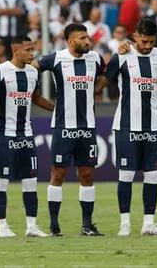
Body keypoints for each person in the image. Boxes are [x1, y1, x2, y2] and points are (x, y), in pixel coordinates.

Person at [96, 17, 157, 236]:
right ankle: (125, 224)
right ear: (135, 37)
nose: (148, 46)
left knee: (152, 176)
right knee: (126, 175)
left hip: (152, 126)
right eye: (144, 42)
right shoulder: (121, 56)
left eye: (152, 42)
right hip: (126, 125)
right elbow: (101, 83)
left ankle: (148, 224)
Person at [36, 23, 106, 237]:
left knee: (87, 174)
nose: (88, 41)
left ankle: (87, 225)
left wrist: (96, 89)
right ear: (70, 41)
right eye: (83, 38)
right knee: (58, 174)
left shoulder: (95, 58)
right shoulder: (55, 58)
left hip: (87, 127)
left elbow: (107, 74)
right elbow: (30, 69)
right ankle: (54, 225)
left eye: (88, 38)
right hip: (63, 126)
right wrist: (42, 100)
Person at [0, 36, 54, 238]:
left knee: (30, 181)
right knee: (1, 181)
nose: (32, 53)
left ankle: (32, 227)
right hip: (5, 134)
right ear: (16, 50)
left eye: (33, 49)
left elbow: (35, 99)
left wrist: (57, 109)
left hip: (26, 135)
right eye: (28, 50)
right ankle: (2, 227)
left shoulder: (32, 72)